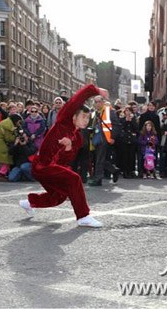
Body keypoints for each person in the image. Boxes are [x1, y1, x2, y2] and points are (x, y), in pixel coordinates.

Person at [19, 84, 109, 228]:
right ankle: (83, 216)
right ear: (74, 116)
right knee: (74, 179)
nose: (86, 120)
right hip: (42, 165)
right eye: (83, 116)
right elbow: (75, 101)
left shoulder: (78, 138)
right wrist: (95, 90)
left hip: (51, 168)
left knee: (59, 197)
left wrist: (68, 148)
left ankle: (29, 202)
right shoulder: (64, 120)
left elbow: (66, 161)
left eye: (88, 117)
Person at [88, 95, 121, 186]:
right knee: (99, 158)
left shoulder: (109, 111)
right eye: (96, 102)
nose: (97, 103)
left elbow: (117, 125)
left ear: (103, 102)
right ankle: (114, 170)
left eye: (99, 101)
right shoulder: (95, 112)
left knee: (99, 158)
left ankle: (98, 179)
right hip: (96, 137)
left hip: (105, 138)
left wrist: (113, 137)